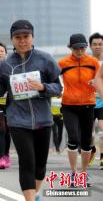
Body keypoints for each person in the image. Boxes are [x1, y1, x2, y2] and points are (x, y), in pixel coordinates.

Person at [0, 20, 62, 201]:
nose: (22, 40)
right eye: (17, 37)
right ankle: (30, 199)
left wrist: (43, 87)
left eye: (26, 36)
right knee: (27, 162)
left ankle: (35, 193)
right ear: (12, 39)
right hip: (17, 120)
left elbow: (58, 88)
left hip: (43, 119)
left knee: (40, 165)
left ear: (32, 37)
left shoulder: (45, 59)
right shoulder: (5, 64)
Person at [58, 33, 100, 187]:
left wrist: (95, 82)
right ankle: (74, 174)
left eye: (82, 47)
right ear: (70, 47)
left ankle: (83, 173)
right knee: (74, 138)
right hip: (69, 106)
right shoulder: (63, 63)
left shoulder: (93, 62)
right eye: (76, 48)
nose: (80, 51)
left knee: (87, 141)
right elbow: (53, 79)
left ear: (86, 47)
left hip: (88, 105)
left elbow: (100, 80)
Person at [89, 32, 103, 169]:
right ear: (90, 46)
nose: (98, 47)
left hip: (102, 102)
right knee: (89, 133)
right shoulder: (87, 62)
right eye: (95, 44)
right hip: (89, 102)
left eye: (100, 44)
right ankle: (91, 150)